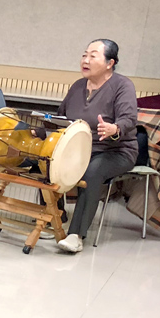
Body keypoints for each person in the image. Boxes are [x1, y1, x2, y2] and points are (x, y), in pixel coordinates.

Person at [56, 39, 138, 253]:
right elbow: (61, 117)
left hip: (116, 151)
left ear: (110, 63)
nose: (86, 60)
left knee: (91, 173)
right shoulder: (77, 86)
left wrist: (114, 128)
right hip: (80, 149)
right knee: (46, 160)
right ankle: (54, 217)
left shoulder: (122, 86)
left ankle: (76, 234)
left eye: (93, 56)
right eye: (85, 55)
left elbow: (129, 119)